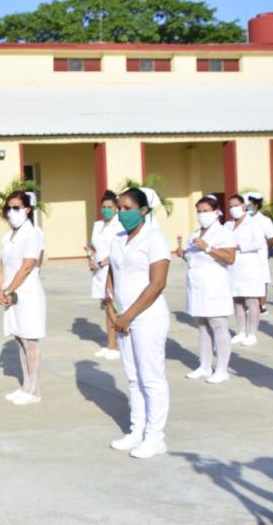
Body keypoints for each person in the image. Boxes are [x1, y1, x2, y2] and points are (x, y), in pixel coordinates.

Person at [106, 187, 171, 459]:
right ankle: (137, 430)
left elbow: (157, 284)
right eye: (119, 208)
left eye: (126, 208)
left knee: (151, 378)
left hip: (147, 317)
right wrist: (111, 308)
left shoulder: (155, 239)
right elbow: (112, 275)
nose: (120, 213)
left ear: (143, 211)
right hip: (123, 318)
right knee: (133, 378)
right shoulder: (118, 239)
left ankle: (155, 437)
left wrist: (128, 315)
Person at [176, 196, 237, 384]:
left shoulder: (223, 232)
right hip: (197, 286)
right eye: (199, 211)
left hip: (214, 284)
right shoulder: (195, 233)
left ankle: (222, 369)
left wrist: (208, 248)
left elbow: (230, 258)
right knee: (202, 326)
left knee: (218, 325)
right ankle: (204, 365)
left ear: (216, 211)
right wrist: (184, 255)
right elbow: (194, 259)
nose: (202, 214)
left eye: (205, 211)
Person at [0, 191, 46, 406]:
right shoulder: (8, 236)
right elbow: (2, 266)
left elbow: (27, 267)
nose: (11, 212)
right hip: (10, 292)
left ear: (27, 210)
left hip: (27, 293)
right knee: (18, 338)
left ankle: (34, 389)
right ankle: (25, 385)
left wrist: (9, 290)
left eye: (16, 208)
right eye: (9, 208)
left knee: (30, 340)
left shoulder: (32, 233)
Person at [224, 194, 266, 347]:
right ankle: (240, 332)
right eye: (230, 206)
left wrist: (240, 246)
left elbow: (259, 243)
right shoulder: (227, 225)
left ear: (243, 206)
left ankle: (252, 333)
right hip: (233, 267)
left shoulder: (253, 223)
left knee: (251, 300)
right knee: (237, 300)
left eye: (235, 205)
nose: (232, 209)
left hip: (249, 266)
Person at [87, 189, 124, 360]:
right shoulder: (98, 225)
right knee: (106, 307)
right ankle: (110, 344)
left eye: (109, 207)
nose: (106, 210)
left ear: (116, 208)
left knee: (113, 307)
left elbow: (118, 250)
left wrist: (102, 263)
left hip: (112, 270)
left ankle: (116, 345)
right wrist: (91, 258)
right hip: (98, 271)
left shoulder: (120, 225)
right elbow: (94, 246)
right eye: (103, 207)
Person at [246, 192, 273, 315]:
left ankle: (261, 305)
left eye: (249, 205)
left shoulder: (264, 220)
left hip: (259, 256)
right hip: (245, 256)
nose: (247, 207)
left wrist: (266, 247)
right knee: (247, 280)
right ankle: (249, 304)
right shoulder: (244, 218)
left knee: (262, 279)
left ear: (256, 205)